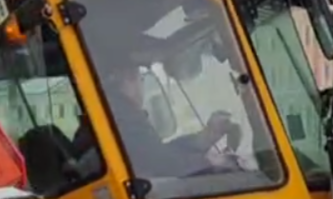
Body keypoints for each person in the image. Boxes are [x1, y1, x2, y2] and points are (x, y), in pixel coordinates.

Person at [102, 52, 244, 179]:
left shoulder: (113, 115)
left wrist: (204, 138)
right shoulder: (121, 116)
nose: (142, 86)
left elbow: (158, 155)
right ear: (128, 78)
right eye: (141, 79)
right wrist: (211, 162)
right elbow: (163, 165)